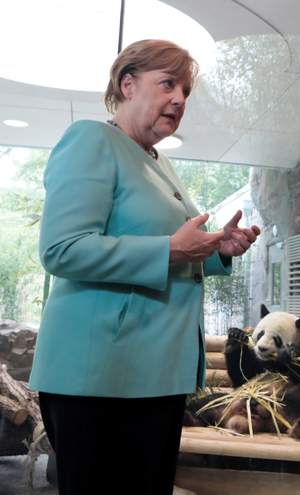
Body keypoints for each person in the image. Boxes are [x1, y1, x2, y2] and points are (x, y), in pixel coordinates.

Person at [29, 39, 260, 495]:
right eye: (168, 83)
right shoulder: (92, 140)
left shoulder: (160, 162)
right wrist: (170, 250)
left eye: (186, 91)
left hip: (154, 374)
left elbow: (169, 248)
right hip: (99, 377)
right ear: (127, 85)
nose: (179, 98)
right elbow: (62, 248)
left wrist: (217, 251)